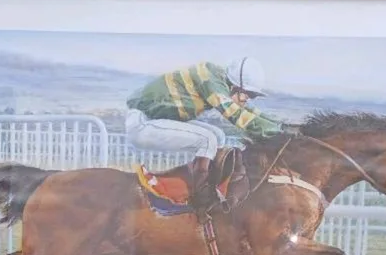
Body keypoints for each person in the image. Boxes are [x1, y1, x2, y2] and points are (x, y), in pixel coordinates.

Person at [124, 57, 292, 215]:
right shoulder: (211, 83)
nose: (247, 99)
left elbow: (248, 110)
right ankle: (201, 198)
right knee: (207, 140)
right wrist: (277, 133)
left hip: (153, 119)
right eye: (248, 94)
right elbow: (236, 115)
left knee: (218, 136)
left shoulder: (219, 79)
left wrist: (282, 126)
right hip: (142, 124)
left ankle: (205, 187)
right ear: (235, 86)